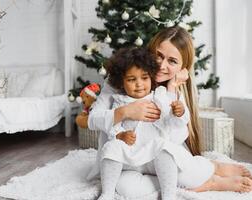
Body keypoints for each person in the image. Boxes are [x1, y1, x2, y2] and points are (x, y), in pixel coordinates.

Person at [87, 26, 252, 199]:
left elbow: (172, 140)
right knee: (125, 189)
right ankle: (198, 183)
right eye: (158, 55)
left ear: (183, 68)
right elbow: (92, 120)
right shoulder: (122, 76)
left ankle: (212, 175)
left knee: (181, 172)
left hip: (159, 153)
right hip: (128, 159)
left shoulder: (169, 93)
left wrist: (173, 90)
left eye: (172, 61)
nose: (161, 65)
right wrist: (125, 111)